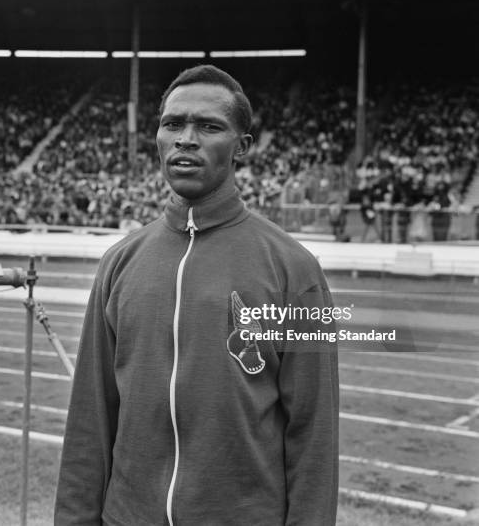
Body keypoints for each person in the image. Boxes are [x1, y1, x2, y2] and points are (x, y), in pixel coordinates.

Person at [55, 65, 339, 526]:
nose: (186, 138)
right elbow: (91, 417)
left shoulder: (295, 270)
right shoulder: (119, 262)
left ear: (241, 147)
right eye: (173, 124)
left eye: (208, 126)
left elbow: (314, 432)